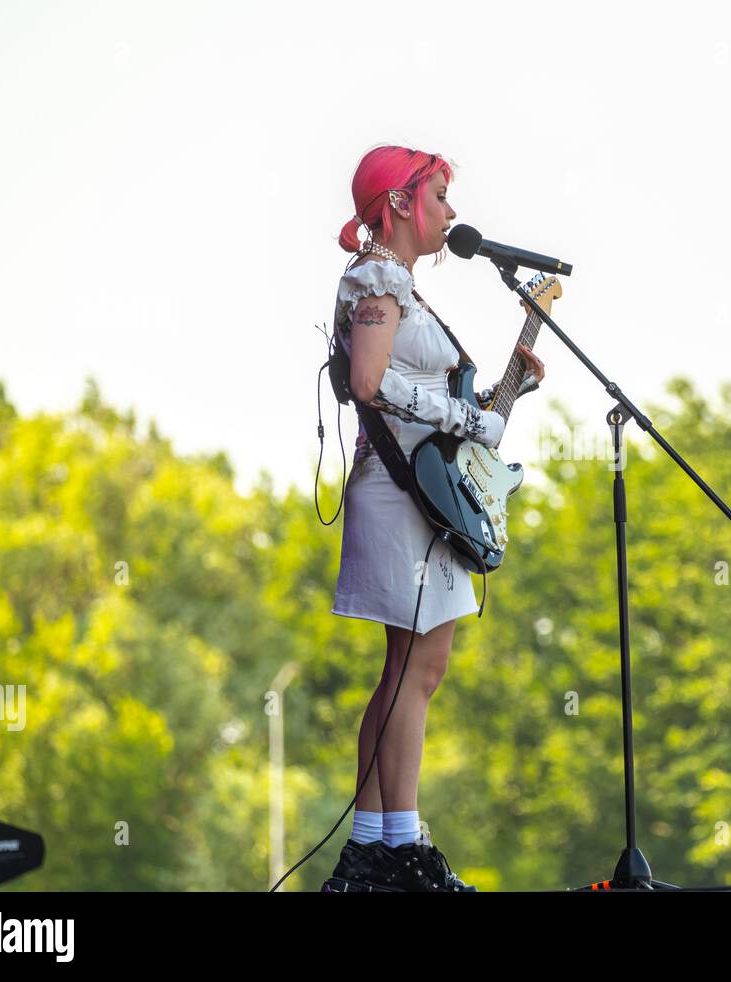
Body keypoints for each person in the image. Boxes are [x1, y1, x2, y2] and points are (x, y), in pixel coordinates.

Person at [324, 146, 545, 892]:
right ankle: (400, 849)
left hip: (417, 492)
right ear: (398, 202)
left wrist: (511, 379)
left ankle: (374, 851)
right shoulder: (378, 278)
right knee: (414, 671)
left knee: (413, 669)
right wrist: (464, 415)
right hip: (396, 493)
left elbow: (454, 419)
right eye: (440, 194)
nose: (451, 212)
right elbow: (368, 381)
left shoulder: (400, 287)